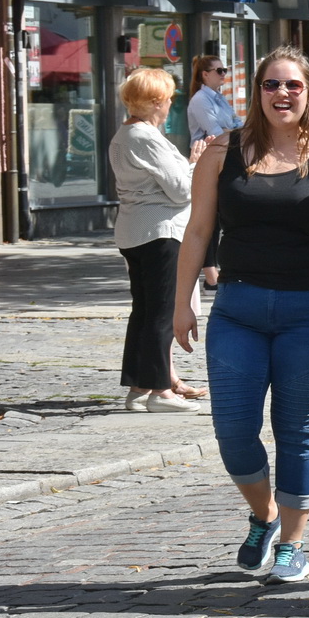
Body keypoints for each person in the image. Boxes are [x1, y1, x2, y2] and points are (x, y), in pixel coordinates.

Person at [174, 47, 309, 584]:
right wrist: (182, 299)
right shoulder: (221, 152)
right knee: (233, 431)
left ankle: (292, 546)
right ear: (256, 93)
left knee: (296, 429)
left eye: (293, 86)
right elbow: (199, 230)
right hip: (239, 309)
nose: (282, 95)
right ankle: (265, 515)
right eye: (271, 85)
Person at [110, 68, 203, 414]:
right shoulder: (146, 137)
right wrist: (196, 163)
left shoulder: (125, 134)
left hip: (135, 231)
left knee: (145, 311)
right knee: (161, 312)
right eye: (167, 99)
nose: (169, 105)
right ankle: (161, 392)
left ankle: (139, 386)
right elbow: (180, 191)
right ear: (154, 102)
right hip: (160, 231)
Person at [187, 54, 241, 289]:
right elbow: (217, 131)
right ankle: (210, 273)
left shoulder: (219, 99)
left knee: (220, 217)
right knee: (208, 217)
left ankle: (213, 270)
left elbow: (238, 125)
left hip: (224, 157)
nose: (224, 75)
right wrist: (232, 130)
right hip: (207, 159)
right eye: (219, 70)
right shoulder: (201, 99)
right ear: (205, 74)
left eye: (225, 70)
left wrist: (232, 130)